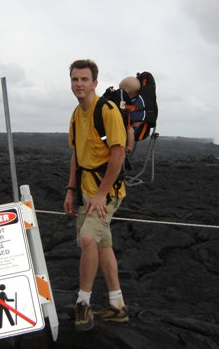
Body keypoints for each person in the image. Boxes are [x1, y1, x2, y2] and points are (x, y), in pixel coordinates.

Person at [64, 59, 129, 332]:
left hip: (107, 191)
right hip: (85, 190)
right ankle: (117, 305)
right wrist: (70, 190)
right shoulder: (76, 114)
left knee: (89, 238)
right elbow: (76, 155)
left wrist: (102, 195)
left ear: (95, 83)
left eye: (84, 79)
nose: (79, 84)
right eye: (75, 79)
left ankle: (83, 304)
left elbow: (118, 153)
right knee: (102, 245)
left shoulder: (108, 110)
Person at [119, 76, 145, 153]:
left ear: (127, 92)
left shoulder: (139, 101)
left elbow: (142, 115)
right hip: (123, 121)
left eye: (121, 89)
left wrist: (139, 122)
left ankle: (129, 146)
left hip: (132, 125)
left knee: (130, 130)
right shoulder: (123, 99)